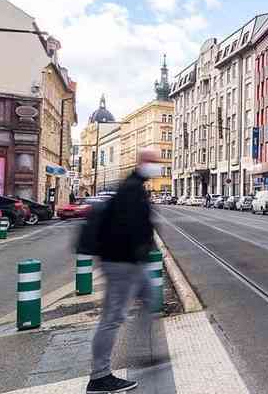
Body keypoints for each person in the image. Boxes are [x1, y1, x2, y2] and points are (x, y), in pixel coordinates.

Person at [86, 148, 161, 394]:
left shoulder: (135, 186)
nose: (157, 166)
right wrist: (141, 247)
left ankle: (145, 351)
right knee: (112, 317)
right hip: (121, 262)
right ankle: (99, 377)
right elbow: (128, 226)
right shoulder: (131, 188)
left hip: (131, 261)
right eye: (153, 162)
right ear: (143, 163)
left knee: (150, 298)